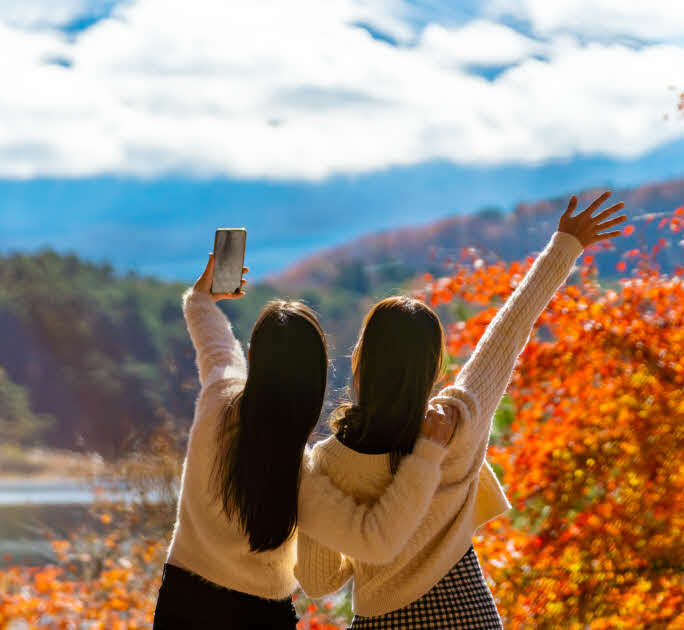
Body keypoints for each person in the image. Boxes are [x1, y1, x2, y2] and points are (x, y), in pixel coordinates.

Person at [295, 191, 626, 629]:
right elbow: (508, 332)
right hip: (468, 612)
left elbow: (319, 582)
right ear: (434, 368)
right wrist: (566, 243)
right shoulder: (456, 420)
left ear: (362, 360)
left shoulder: (329, 462)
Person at [152, 252, 458, 630]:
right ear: (317, 382)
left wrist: (202, 296)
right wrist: (427, 454)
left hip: (181, 603)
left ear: (253, 357)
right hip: (259, 618)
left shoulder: (219, 395)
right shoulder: (302, 477)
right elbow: (377, 540)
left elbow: (211, 337)